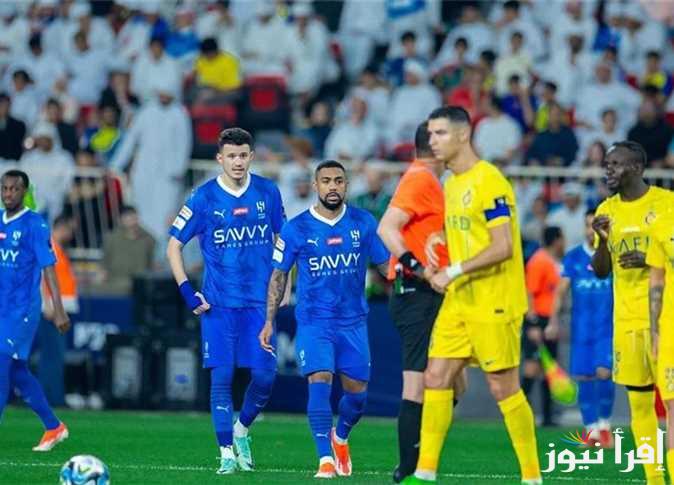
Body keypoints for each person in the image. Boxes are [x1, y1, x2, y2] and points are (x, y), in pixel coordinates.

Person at [405, 106, 541, 484]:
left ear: (463, 135)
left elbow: (503, 246)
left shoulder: (490, 181)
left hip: (494, 300)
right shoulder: (451, 183)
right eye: (430, 134)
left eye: (440, 134)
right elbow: (469, 234)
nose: (432, 141)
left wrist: (454, 271)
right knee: (436, 375)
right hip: (460, 300)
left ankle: (532, 477)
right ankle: (425, 472)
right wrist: (439, 242)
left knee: (503, 387)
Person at [166, 128, 286, 475]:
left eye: (243, 155)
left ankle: (242, 430)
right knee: (221, 377)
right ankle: (225, 453)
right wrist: (187, 290)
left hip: (258, 306)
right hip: (218, 305)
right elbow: (173, 245)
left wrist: (284, 285)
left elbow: (283, 241)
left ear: (251, 156)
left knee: (265, 377)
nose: (237, 161)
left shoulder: (267, 192)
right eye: (231, 156)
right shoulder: (203, 198)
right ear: (220, 158)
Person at [260, 160, 390, 478]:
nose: (333, 186)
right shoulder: (297, 229)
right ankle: (324, 460)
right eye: (326, 181)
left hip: (354, 322)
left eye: (339, 181)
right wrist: (268, 321)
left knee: (357, 398)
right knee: (319, 382)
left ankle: (340, 437)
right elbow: (278, 276)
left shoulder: (363, 222)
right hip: (315, 321)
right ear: (316, 187)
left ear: (346, 186)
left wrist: (418, 278)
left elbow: (387, 266)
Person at [377, 122, 464, 483]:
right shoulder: (420, 178)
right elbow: (387, 227)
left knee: (455, 383)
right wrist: (414, 266)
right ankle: (410, 470)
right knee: (419, 382)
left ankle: (422, 457)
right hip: (417, 293)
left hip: (433, 292)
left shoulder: (433, 181)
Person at [592, 141, 674, 485]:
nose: (608, 170)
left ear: (637, 168)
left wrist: (649, 258)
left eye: (616, 165)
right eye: (607, 164)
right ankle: (655, 480)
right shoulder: (606, 210)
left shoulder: (667, 204)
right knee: (639, 407)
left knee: (670, 406)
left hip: (665, 321)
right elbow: (600, 271)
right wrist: (600, 239)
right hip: (626, 322)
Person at [0, 170, 71, 451]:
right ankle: (54, 427)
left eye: (14, 189)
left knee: (2, 366)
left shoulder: (35, 224)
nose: (8, 195)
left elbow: (49, 268)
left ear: (24, 191)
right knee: (17, 371)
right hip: (2, 307)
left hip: (22, 310)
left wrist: (58, 308)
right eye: (4, 189)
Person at [546, 209, 615, 447]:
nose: (590, 230)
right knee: (585, 377)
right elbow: (561, 290)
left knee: (605, 373)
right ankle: (592, 431)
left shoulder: (613, 255)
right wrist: (554, 320)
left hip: (608, 327)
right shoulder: (574, 256)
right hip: (582, 329)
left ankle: (605, 426)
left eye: (593, 225)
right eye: (587, 225)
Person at [522, 226, 565, 427]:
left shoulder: (552, 262)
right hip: (538, 320)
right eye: (562, 238)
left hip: (549, 321)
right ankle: (520, 415)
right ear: (556, 240)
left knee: (549, 369)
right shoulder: (538, 261)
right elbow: (529, 292)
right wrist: (532, 324)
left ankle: (547, 417)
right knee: (532, 369)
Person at [645, 207, 674, 478]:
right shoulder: (663, 224)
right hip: (671, 330)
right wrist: (655, 331)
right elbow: (656, 281)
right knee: (673, 408)